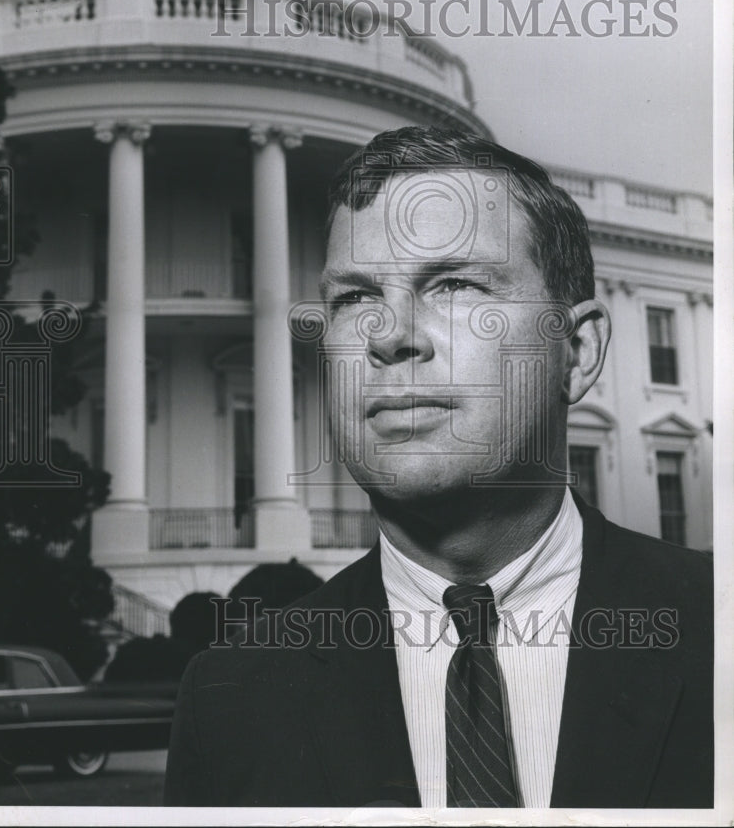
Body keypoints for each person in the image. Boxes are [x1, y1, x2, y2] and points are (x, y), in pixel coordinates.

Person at [164, 126, 713, 809]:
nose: (392, 335)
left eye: (455, 284)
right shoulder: (232, 697)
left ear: (577, 348)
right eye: (356, 298)